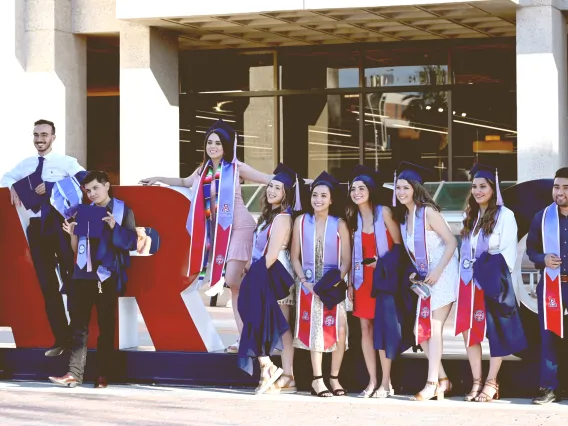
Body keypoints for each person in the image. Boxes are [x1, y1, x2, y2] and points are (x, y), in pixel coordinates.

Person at [140, 120, 274, 354]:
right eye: (210, 142)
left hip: (240, 228)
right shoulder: (202, 171)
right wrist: (158, 179)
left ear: (227, 146)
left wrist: (301, 182)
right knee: (236, 290)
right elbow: (183, 182)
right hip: (220, 233)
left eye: (218, 143)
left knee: (233, 281)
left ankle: (253, 335)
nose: (213, 147)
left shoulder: (236, 167)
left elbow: (266, 179)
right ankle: (245, 339)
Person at [0, 119, 85, 357]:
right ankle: (61, 338)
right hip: (37, 228)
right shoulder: (26, 164)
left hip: (61, 225)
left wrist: (52, 186)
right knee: (47, 285)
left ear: (53, 137)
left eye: (44, 135)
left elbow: (85, 180)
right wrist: (12, 188)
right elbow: (5, 179)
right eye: (36, 135)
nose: (40, 139)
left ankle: (77, 339)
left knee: (72, 281)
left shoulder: (65, 162)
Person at [48, 171, 138, 388]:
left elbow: (132, 242)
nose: (92, 194)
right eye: (88, 190)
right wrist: (72, 234)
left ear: (107, 185)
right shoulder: (82, 212)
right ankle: (74, 374)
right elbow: (74, 250)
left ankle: (103, 375)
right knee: (78, 325)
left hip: (106, 275)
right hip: (82, 275)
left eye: (96, 188)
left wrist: (114, 227)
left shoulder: (121, 210)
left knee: (106, 326)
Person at [455, 164, 527, 402]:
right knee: (470, 333)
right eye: (474, 186)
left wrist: (488, 273)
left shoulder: (505, 216)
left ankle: (491, 381)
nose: (477, 191)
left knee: (495, 332)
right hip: (468, 281)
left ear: (493, 188)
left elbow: (507, 254)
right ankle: (476, 381)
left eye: (482, 186)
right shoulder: (470, 215)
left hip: (492, 281)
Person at [393, 162, 458, 401]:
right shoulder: (405, 219)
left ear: (415, 188)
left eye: (405, 188)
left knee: (432, 327)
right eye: (398, 188)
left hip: (443, 273)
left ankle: (432, 383)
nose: (401, 192)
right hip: (425, 279)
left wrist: (438, 271)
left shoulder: (428, 212)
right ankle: (442, 379)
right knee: (420, 330)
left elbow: (451, 242)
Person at [238, 164, 302, 395]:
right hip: (261, 270)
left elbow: (272, 254)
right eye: (271, 186)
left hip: (276, 274)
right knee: (255, 318)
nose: (272, 191)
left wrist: (252, 277)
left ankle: (287, 375)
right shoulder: (267, 216)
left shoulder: (283, 218)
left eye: (278, 188)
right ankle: (268, 366)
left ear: (286, 193)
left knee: (283, 327)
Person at [291, 171, 351, 398]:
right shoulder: (301, 221)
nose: (318, 199)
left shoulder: (340, 224)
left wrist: (335, 283)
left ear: (331, 199)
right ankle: (318, 379)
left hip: (333, 286)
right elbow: (295, 255)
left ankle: (334, 377)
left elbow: (346, 259)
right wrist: (304, 282)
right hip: (308, 285)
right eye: (315, 195)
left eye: (323, 196)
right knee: (315, 329)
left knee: (339, 330)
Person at [346, 165, 402, 398]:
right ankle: (372, 380)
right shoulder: (353, 218)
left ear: (370, 190)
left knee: (382, 331)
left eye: (361, 188)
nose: (357, 192)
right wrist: (350, 282)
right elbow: (351, 255)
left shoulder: (385, 213)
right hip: (361, 281)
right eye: (353, 189)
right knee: (365, 330)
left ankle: (386, 382)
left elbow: (399, 247)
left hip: (383, 280)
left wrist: (382, 263)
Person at [527, 167, 568, 405]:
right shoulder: (542, 217)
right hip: (552, 285)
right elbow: (531, 249)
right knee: (549, 336)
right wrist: (542, 258)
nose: (559, 192)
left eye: (565, 187)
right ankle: (549, 387)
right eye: (556, 187)